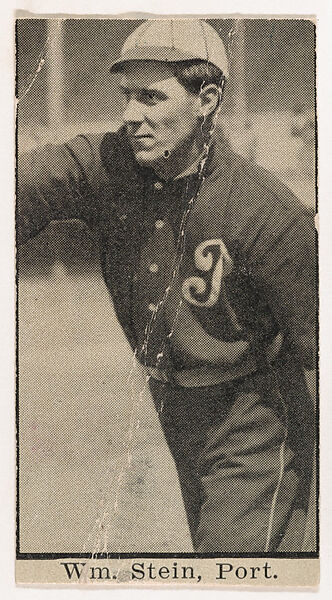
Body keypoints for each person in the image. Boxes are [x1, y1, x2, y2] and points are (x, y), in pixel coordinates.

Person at [17, 19, 316, 552]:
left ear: (207, 100)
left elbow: (316, 348)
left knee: (234, 563)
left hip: (253, 417)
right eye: (126, 97)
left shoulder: (269, 212)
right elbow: (25, 185)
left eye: (151, 98)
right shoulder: (111, 166)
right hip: (174, 405)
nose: (131, 116)